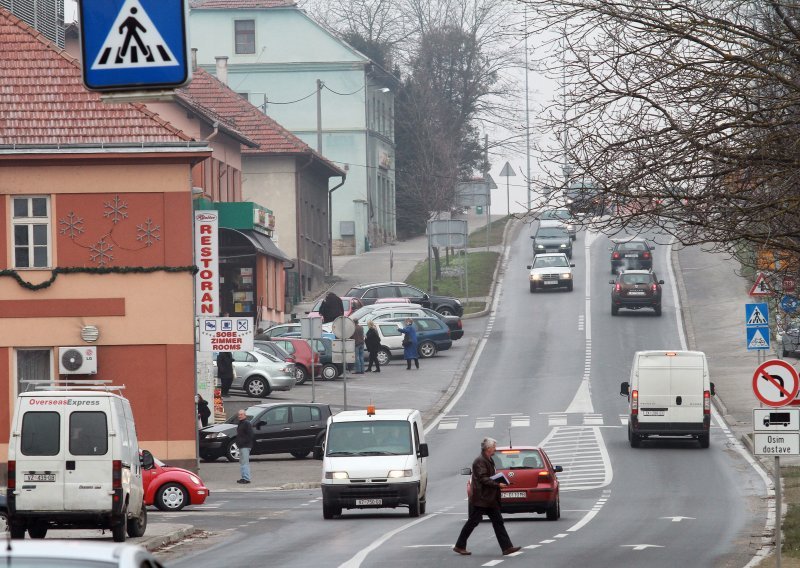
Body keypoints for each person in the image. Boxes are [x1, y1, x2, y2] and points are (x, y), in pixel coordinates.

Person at [454, 437, 521, 557]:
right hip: (482, 498)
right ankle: (459, 545)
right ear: (488, 448)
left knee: (498, 522)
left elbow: (488, 477)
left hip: (489, 498)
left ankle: (507, 547)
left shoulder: (488, 459)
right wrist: (497, 484)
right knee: (473, 522)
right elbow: (483, 478)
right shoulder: (480, 461)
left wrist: (498, 482)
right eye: (494, 446)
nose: (495, 448)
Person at [236, 409, 255, 484]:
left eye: (241, 414)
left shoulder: (247, 423)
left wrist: (243, 442)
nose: (239, 416)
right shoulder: (240, 423)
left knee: (245, 462)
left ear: (245, 415)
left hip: (245, 446)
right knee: (242, 462)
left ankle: (246, 478)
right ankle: (243, 477)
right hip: (241, 446)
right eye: (239, 414)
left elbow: (251, 435)